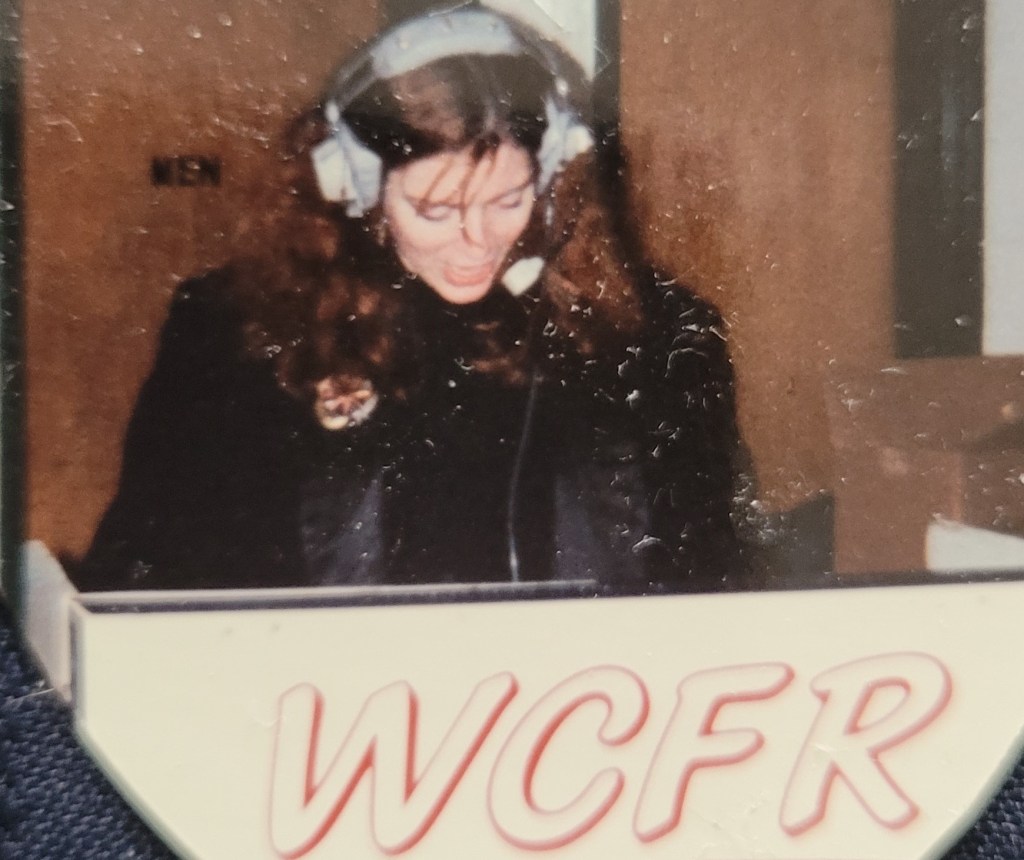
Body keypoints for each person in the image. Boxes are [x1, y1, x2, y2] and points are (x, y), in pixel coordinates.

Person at [76, 8, 752, 593]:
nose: (477, 241)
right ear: (355, 186)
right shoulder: (233, 335)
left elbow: (712, 574)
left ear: (552, 176)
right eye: (434, 210)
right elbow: (149, 576)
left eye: (509, 201)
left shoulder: (661, 334)